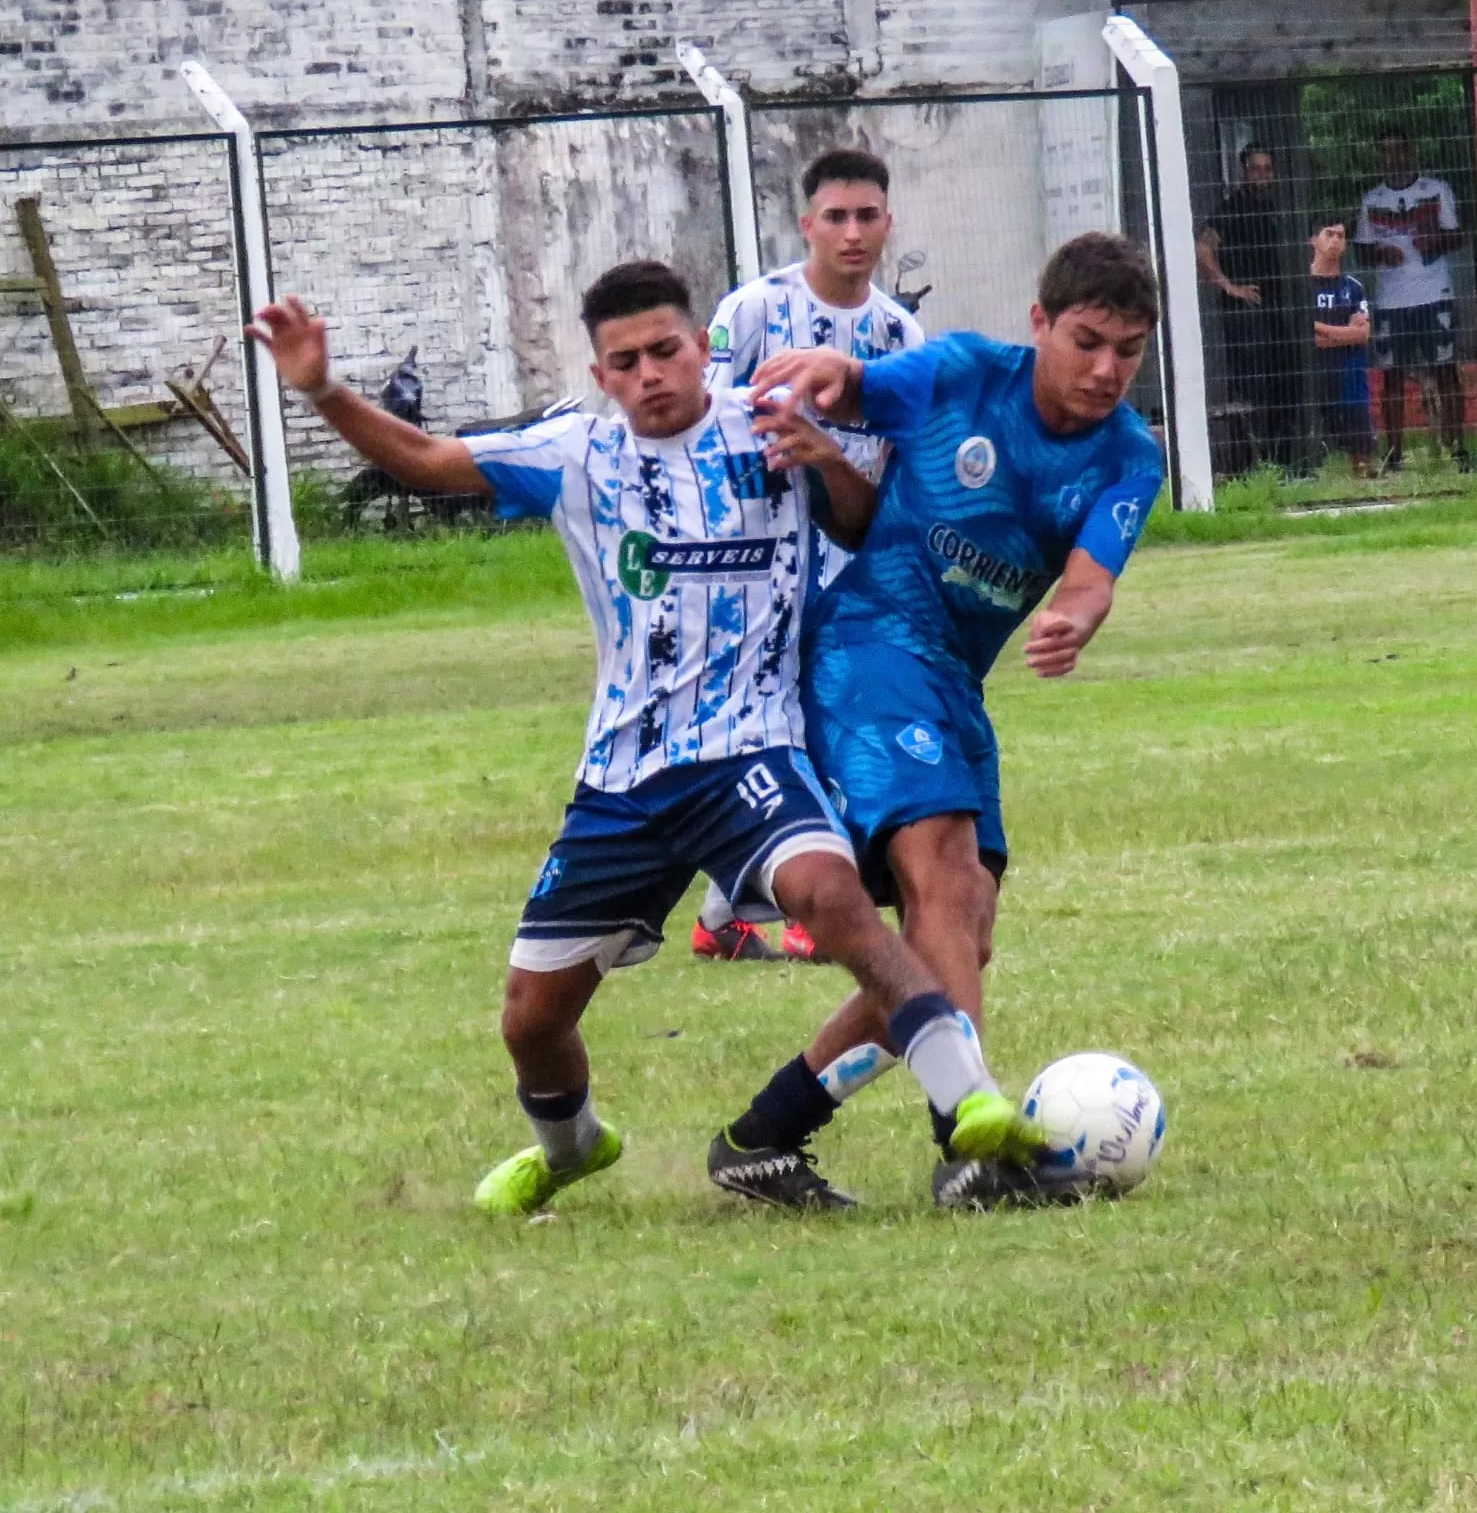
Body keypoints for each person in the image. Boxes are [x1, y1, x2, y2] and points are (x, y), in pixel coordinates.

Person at [244, 263, 1044, 1216]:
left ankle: (968, 1102)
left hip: (751, 752)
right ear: (601, 376)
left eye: (665, 350)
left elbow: (864, 521)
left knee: (831, 897)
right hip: (622, 783)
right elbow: (422, 459)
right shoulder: (575, 455)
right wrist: (323, 391)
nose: (649, 374)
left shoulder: (772, 425)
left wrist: (829, 458)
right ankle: (571, 1147)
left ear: (703, 347)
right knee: (531, 1022)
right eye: (624, 363)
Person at [705, 232, 1166, 1212]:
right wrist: (826, 372)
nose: (1105, 369)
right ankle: (969, 1144)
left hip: (955, 683)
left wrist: (1076, 617)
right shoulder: (962, 374)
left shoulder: (1130, 455)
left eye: (1127, 351)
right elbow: (858, 386)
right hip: (866, 646)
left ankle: (763, 1135)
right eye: (1086, 342)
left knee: (959, 936)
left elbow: (1090, 578)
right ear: (1039, 323)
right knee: (943, 878)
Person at [691, 147, 925, 965]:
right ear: (806, 225)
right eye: (836, 217)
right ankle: (786, 901)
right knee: (769, 729)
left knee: (825, 722)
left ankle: (739, 910)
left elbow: (903, 461)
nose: (852, 233)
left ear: (888, 224)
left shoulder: (898, 333)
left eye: (867, 216)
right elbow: (703, 425)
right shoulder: (754, 310)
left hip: (852, 567)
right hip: (758, 567)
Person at [1354, 126, 1468, 471]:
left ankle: (1457, 448)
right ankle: (1394, 455)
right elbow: (1362, 252)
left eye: (1399, 149)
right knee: (1392, 375)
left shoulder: (1435, 190)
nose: (1393, 157)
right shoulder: (1372, 200)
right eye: (1386, 151)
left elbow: (1458, 236)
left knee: (1446, 370)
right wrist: (1381, 254)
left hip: (1435, 293)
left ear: (1410, 151)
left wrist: (1435, 240)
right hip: (1392, 300)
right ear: (1380, 157)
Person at [1196, 144, 1301, 472]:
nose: (1262, 175)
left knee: (1283, 383)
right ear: (1243, 171)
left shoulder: (1274, 208)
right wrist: (1229, 286)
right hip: (1245, 315)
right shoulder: (1233, 208)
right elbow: (1203, 247)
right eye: (1256, 169)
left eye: (1267, 169)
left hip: (1275, 309)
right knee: (1252, 388)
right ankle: (1254, 464)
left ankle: (1283, 461)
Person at [1307, 215, 1377, 477]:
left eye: (1340, 236)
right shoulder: (1302, 285)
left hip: (1350, 373)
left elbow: (1362, 334)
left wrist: (1317, 325)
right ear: (1313, 240)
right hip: (1314, 374)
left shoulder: (1353, 287)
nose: (1335, 241)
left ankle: (1363, 476)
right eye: (1329, 234)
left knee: (1359, 437)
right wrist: (1344, 333)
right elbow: (1305, 339)